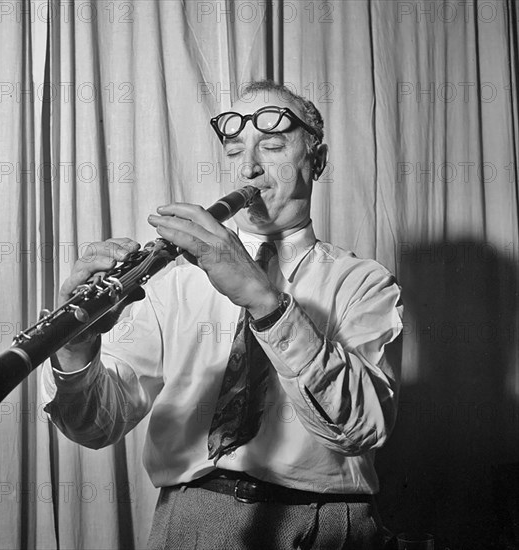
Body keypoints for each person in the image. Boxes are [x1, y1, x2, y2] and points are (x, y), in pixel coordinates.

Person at [41, 80, 403, 549]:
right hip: (192, 519)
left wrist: (263, 299)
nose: (249, 167)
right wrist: (74, 345)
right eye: (235, 152)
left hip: (325, 524)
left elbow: (361, 428)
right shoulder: (171, 281)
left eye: (271, 146)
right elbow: (95, 426)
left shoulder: (365, 282)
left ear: (318, 159)